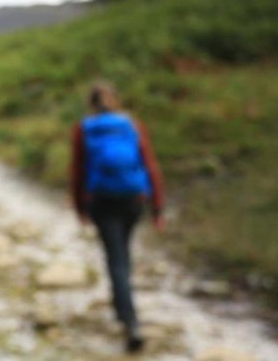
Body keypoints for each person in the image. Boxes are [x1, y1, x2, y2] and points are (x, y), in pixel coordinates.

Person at [69, 80, 165, 354]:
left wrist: (79, 207)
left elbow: (77, 171)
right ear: (116, 101)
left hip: (101, 200)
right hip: (133, 198)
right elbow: (149, 165)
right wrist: (158, 207)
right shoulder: (132, 125)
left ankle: (129, 320)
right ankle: (123, 308)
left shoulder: (84, 129)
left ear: (91, 104)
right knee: (123, 252)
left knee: (115, 257)